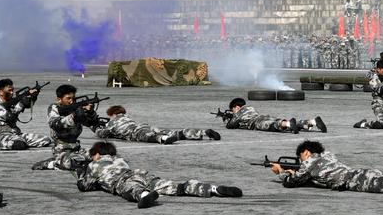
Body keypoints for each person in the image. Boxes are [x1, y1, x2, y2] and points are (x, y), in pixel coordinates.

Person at [76, 141, 242, 208]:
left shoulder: (94, 164)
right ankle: (212, 189)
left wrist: (81, 174)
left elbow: (85, 186)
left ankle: (144, 196)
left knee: (131, 188)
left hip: (121, 180)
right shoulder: (119, 159)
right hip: (140, 173)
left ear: (96, 154)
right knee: (174, 186)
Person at [269, 140, 383, 198]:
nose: (301, 160)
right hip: (360, 173)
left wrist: (282, 172)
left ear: (306, 152)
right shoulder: (327, 155)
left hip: (355, 180)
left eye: (301, 156)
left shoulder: (309, 163)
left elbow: (292, 182)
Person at [31, 84, 104, 171]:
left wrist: (90, 112)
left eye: (73, 98)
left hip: (77, 149)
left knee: (101, 157)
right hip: (61, 150)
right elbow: (55, 124)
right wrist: (73, 117)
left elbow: (90, 123)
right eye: (68, 98)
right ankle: (50, 163)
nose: (71, 101)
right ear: (59, 99)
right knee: (72, 164)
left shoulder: (76, 109)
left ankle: (67, 161)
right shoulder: (54, 108)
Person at [0, 78, 53, 150]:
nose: (12, 93)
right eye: (9, 90)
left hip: (16, 133)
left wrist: (33, 97)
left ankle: (13, 143)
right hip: (4, 134)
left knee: (45, 140)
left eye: (12, 90)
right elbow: (10, 117)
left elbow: (27, 105)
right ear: (1, 92)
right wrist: (21, 104)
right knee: (19, 145)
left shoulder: (12, 100)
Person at [97, 105, 222, 144]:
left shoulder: (113, 122)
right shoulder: (127, 117)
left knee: (148, 137)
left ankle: (164, 139)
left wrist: (96, 127)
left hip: (135, 132)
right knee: (176, 132)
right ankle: (203, 132)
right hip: (144, 126)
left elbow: (103, 134)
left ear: (113, 114)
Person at [223, 98, 326, 134]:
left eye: (233, 110)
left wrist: (226, 118)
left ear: (237, 107)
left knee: (273, 125)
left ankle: (288, 123)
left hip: (256, 122)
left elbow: (230, 125)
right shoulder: (250, 108)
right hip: (263, 117)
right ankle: (312, 122)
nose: (233, 112)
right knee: (277, 122)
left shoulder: (240, 112)